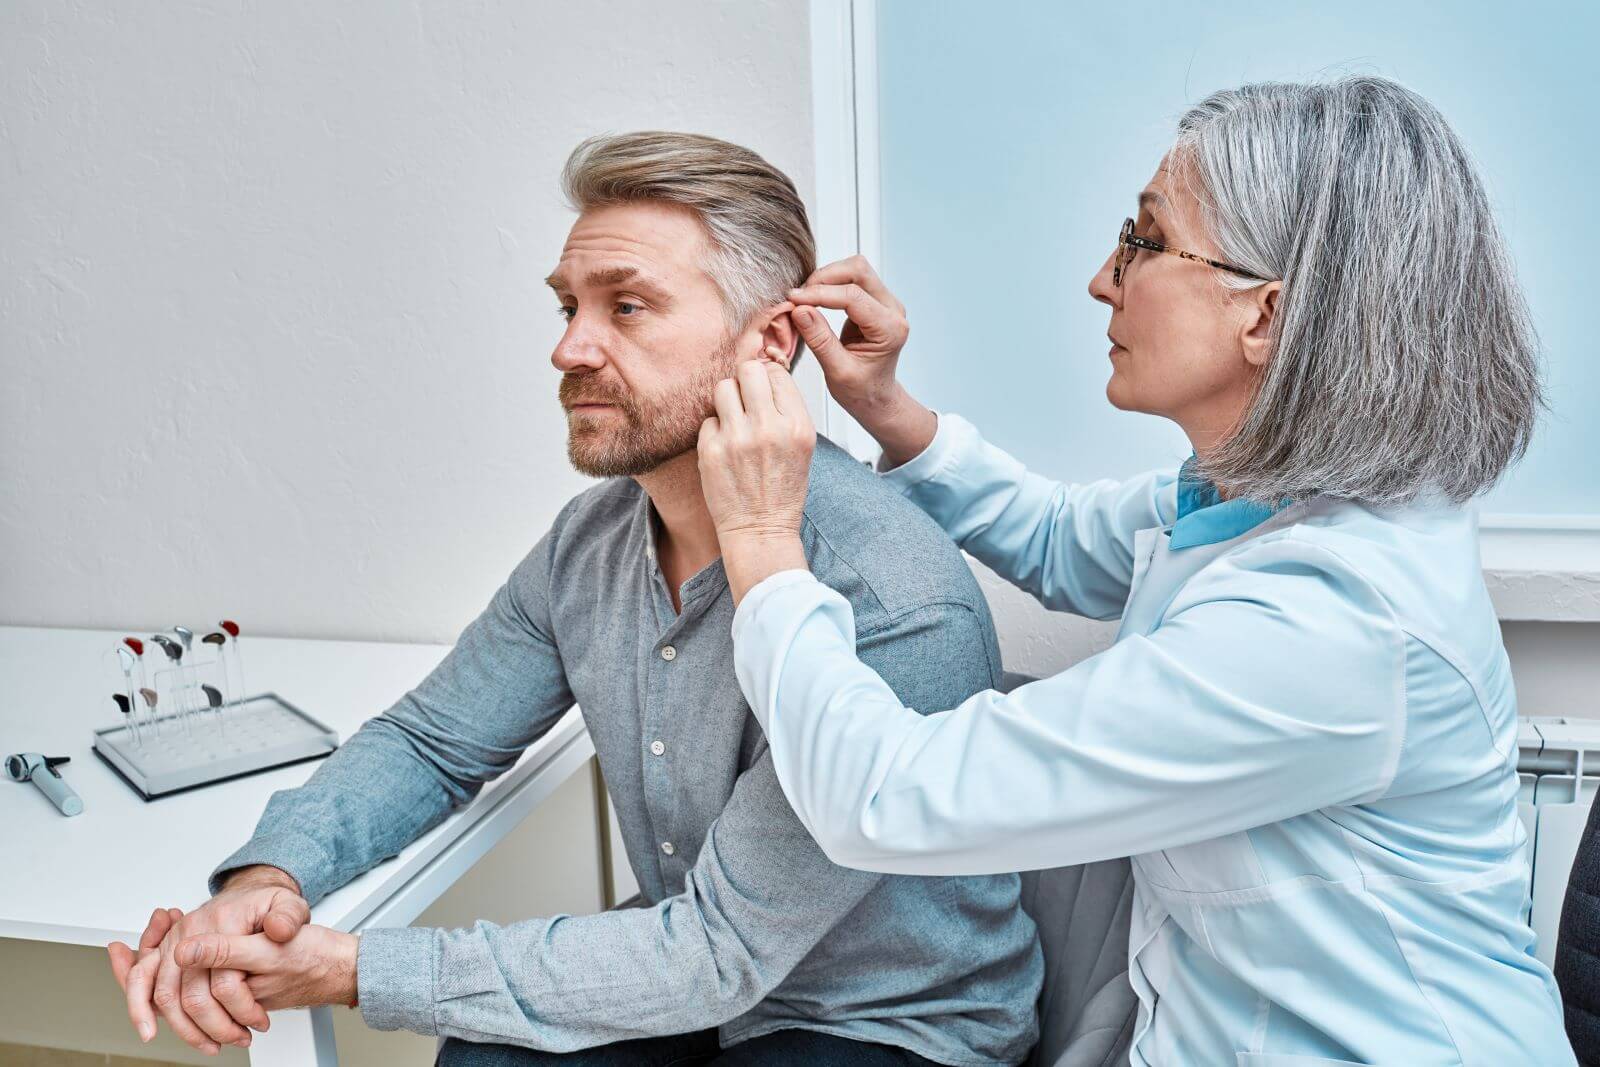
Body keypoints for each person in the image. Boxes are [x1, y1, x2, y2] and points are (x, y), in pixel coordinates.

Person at [106, 132, 1046, 1066]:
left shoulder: (894, 598)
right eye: (568, 306)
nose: (569, 348)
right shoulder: (588, 543)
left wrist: (350, 968)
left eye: (627, 306)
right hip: (700, 975)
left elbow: (720, 951)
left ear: (766, 341)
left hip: (885, 1022)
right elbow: (432, 741)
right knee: (481, 1060)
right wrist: (269, 877)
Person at [696, 77, 1576, 1065]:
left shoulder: (1333, 623)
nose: (1104, 277)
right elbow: (1061, 537)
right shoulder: (1262, 492)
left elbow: (886, 797)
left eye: (1145, 240)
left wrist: (763, 537)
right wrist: (886, 406)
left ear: (1268, 318)